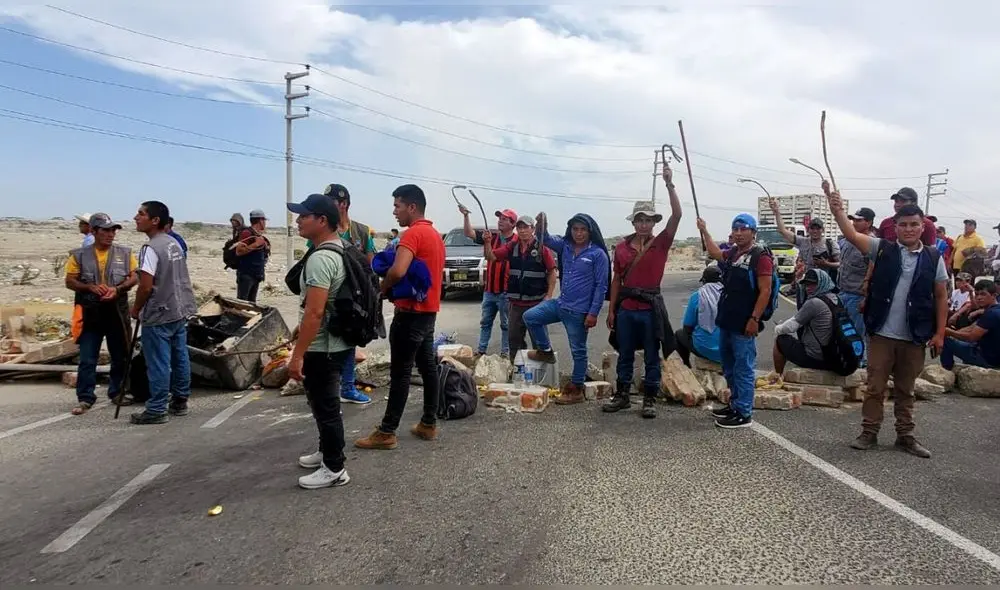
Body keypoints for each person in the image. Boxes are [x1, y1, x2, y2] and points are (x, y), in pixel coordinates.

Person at [827, 186, 947, 458]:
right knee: (875, 388)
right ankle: (869, 432)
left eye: (914, 224)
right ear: (895, 227)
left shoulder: (933, 257)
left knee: (906, 390)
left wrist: (940, 333)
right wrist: (837, 210)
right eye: (903, 225)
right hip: (882, 333)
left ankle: (905, 436)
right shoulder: (882, 249)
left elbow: (941, 296)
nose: (908, 229)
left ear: (922, 226)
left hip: (914, 336)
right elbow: (850, 233)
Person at [355, 184, 445, 450]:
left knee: (401, 372)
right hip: (428, 312)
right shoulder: (434, 235)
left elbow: (397, 271)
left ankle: (387, 431)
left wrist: (382, 290)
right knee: (428, 367)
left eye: (397, 206)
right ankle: (429, 424)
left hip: (409, 314)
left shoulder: (412, 235)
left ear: (412, 207)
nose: (394, 212)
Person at [284, 194, 354, 489]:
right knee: (323, 405)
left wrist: (297, 355)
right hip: (334, 342)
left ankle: (335, 469)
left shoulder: (322, 258)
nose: (297, 220)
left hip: (323, 347)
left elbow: (314, 312)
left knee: (325, 407)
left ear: (322, 221)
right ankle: (327, 452)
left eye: (304, 215)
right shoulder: (338, 248)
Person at [603, 162, 682, 417]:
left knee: (651, 354)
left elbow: (677, 215)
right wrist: (612, 310)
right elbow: (616, 280)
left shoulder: (662, 242)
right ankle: (622, 394)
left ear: (653, 223)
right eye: (640, 220)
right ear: (634, 221)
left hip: (650, 308)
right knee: (624, 353)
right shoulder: (622, 247)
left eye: (648, 220)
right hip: (626, 309)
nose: (644, 224)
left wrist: (670, 184)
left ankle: (650, 398)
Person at [523, 213, 610, 405]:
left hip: (579, 312)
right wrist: (541, 225)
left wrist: (593, 313)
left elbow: (601, 287)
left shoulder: (597, 254)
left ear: (590, 231)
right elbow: (545, 238)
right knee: (530, 316)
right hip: (560, 304)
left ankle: (576, 388)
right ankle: (545, 350)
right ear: (570, 230)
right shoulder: (565, 246)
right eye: (575, 229)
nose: (579, 233)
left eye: (583, 230)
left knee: (578, 351)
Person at [697, 214, 774, 428]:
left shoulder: (761, 257)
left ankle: (744, 413)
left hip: (744, 322)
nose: (739, 233)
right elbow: (714, 252)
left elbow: (765, 290)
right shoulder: (733, 253)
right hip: (727, 320)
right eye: (736, 229)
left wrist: (754, 319)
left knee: (744, 368)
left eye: (744, 229)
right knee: (729, 367)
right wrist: (704, 230)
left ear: (753, 231)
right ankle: (734, 404)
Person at [130, 201, 197, 425]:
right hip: (180, 309)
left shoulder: (151, 248)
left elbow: (146, 285)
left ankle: (157, 407)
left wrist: (137, 308)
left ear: (155, 220)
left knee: (158, 361)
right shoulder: (173, 244)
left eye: (141, 214)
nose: (136, 218)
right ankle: (180, 400)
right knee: (180, 357)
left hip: (159, 311)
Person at [64, 213, 138, 415]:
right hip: (90, 312)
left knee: (120, 355)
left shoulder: (125, 253)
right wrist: (89, 287)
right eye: (105, 230)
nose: (111, 234)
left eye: (113, 230)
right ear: (93, 231)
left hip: (116, 311)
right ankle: (85, 397)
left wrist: (119, 289)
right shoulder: (78, 255)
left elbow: (134, 277)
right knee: (88, 358)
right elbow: (70, 281)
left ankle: (118, 392)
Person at [323, 183, 375, 405]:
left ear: (343, 204)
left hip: (353, 299)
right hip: (328, 296)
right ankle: (326, 388)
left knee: (349, 341)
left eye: (331, 201)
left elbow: (370, 265)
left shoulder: (362, 232)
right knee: (325, 341)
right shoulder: (322, 228)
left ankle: (347, 387)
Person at [483, 215, 557, 363]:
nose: (522, 231)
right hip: (515, 305)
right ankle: (517, 372)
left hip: (536, 305)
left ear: (533, 229)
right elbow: (490, 257)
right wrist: (487, 242)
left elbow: (552, 272)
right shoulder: (512, 247)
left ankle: (541, 376)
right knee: (514, 342)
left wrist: (548, 296)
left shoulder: (542, 248)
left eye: (526, 227)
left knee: (540, 344)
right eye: (520, 227)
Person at [463, 205, 517, 358]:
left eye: (505, 219)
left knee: (506, 325)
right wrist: (466, 216)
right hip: (489, 289)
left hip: (506, 290)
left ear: (512, 224)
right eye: (499, 218)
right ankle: (481, 351)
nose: (500, 221)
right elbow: (469, 233)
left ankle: (505, 353)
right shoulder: (491, 236)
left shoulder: (517, 241)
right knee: (485, 322)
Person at [771, 269, 845, 374]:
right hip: (835, 356)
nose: (808, 288)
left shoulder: (814, 303)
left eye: (812, 284)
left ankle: (778, 376)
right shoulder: (837, 299)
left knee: (780, 340)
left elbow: (790, 326)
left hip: (816, 357)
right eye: (806, 285)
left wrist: (778, 328)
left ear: (822, 283)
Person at [768, 199, 840, 308]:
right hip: (807, 285)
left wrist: (827, 264)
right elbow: (783, 230)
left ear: (823, 230)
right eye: (812, 228)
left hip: (825, 288)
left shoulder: (830, 244)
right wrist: (777, 212)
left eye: (818, 228)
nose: (815, 231)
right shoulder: (803, 241)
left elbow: (841, 264)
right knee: (804, 311)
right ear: (808, 229)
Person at [837, 207, 876, 364]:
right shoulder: (847, 241)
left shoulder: (871, 243)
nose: (854, 222)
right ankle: (848, 360)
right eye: (853, 219)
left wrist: (866, 297)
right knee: (844, 330)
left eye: (859, 220)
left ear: (869, 223)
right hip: (843, 291)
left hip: (858, 295)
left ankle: (859, 364)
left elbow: (873, 272)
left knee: (857, 333)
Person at [941, 280, 1000, 371]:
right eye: (977, 294)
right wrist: (955, 333)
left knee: (946, 342)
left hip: (988, 360)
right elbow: (972, 327)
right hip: (992, 355)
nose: (979, 297)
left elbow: (971, 337)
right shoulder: (995, 310)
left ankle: (947, 370)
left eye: (983, 294)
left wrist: (949, 332)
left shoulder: (991, 314)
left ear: (994, 296)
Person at [675, 265, 723, 367]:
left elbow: (687, 327)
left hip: (704, 349)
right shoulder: (728, 295)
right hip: (728, 349)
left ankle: (686, 365)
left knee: (679, 334)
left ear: (704, 281)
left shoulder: (697, 296)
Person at [234, 209, 271, 304]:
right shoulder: (247, 233)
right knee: (242, 303)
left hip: (256, 275)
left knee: (251, 304)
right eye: (264, 221)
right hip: (247, 275)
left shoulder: (258, 235)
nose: (265, 223)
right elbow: (238, 252)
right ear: (260, 220)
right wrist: (256, 244)